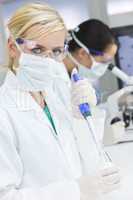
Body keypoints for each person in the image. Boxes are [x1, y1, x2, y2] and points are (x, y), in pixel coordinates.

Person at [0, 3, 120, 200]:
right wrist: (75, 191)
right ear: (13, 47)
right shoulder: (4, 113)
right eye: (37, 50)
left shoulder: (55, 97)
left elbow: (85, 160)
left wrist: (81, 118)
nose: (48, 60)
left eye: (56, 51)